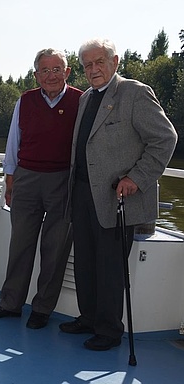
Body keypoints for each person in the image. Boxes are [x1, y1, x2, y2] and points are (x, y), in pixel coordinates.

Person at [61, 38, 177, 350]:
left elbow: (165, 139)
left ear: (115, 61)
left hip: (119, 198)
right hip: (83, 194)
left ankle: (109, 331)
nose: (93, 69)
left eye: (99, 62)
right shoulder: (86, 98)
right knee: (85, 261)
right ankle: (88, 318)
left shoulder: (134, 93)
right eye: (87, 65)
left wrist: (136, 178)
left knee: (110, 268)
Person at [0, 49, 83, 328]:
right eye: (45, 70)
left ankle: (42, 309)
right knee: (20, 245)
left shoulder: (81, 100)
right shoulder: (25, 100)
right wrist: (10, 181)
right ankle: (10, 303)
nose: (51, 75)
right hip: (26, 179)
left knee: (55, 248)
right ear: (36, 74)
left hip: (62, 180)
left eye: (57, 69)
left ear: (67, 72)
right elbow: (14, 142)